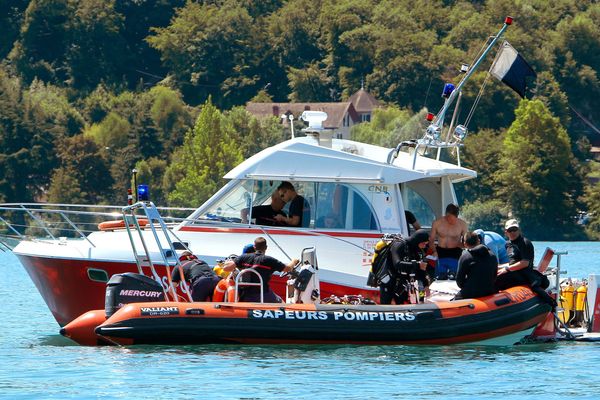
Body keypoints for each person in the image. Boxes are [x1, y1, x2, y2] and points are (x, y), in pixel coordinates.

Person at [495, 219, 554, 307]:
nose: (513, 232)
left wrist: (506, 269)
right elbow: (512, 263)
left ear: (519, 230)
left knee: (498, 278)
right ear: (506, 232)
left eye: (515, 230)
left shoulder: (525, 243)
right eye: (510, 230)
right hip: (514, 272)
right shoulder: (508, 244)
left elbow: (524, 263)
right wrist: (497, 267)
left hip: (525, 274)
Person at [223, 237, 298, 303]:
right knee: (282, 303)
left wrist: (233, 262)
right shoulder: (270, 260)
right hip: (264, 294)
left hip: (245, 295)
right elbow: (287, 269)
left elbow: (226, 268)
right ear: (266, 247)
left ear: (254, 247)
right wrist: (294, 261)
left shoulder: (244, 257)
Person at [380, 229, 431, 305]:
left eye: (426, 244)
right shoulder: (399, 245)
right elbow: (397, 264)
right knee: (386, 304)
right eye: (423, 243)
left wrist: (426, 285)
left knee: (400, 304)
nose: (424, 246)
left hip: (402, 283)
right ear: (418, 240)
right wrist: (417, 264)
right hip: (389, 281)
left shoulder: (417, 250)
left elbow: (421, 270)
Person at [428, 203, 468, 279]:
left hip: (455, 253)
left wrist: (462, 244)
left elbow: (467, 242)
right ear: (446, 214)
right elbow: (431, 240)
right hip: (441, 253)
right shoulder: (437, 223)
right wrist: (434, 251)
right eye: (448, 217)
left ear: (456, 216)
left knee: (454, 278)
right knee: (440, 278)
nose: (450, 220)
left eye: (452, 219)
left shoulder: (462, 224)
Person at [454, 232, 498, 300]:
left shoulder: (465, 257)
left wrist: (467, 286)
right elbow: (494, 276)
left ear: (465, 244)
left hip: (471, 293)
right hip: (490, 291)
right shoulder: (492, 255)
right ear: (479, 241)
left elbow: (459, 280)